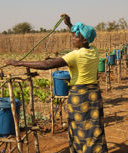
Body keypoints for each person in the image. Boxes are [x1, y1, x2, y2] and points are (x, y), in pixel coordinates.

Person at [6, 14, 108, 153]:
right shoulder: (94, 51)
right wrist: (69, 24)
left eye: (75, 37)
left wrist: (18, 63)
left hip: (80, 96)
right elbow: (79, 35)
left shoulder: (76, 55)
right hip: (94, 95)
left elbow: (47, 64)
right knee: (94, 127)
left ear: (83, 39)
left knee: (79, 128)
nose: (72, 38)